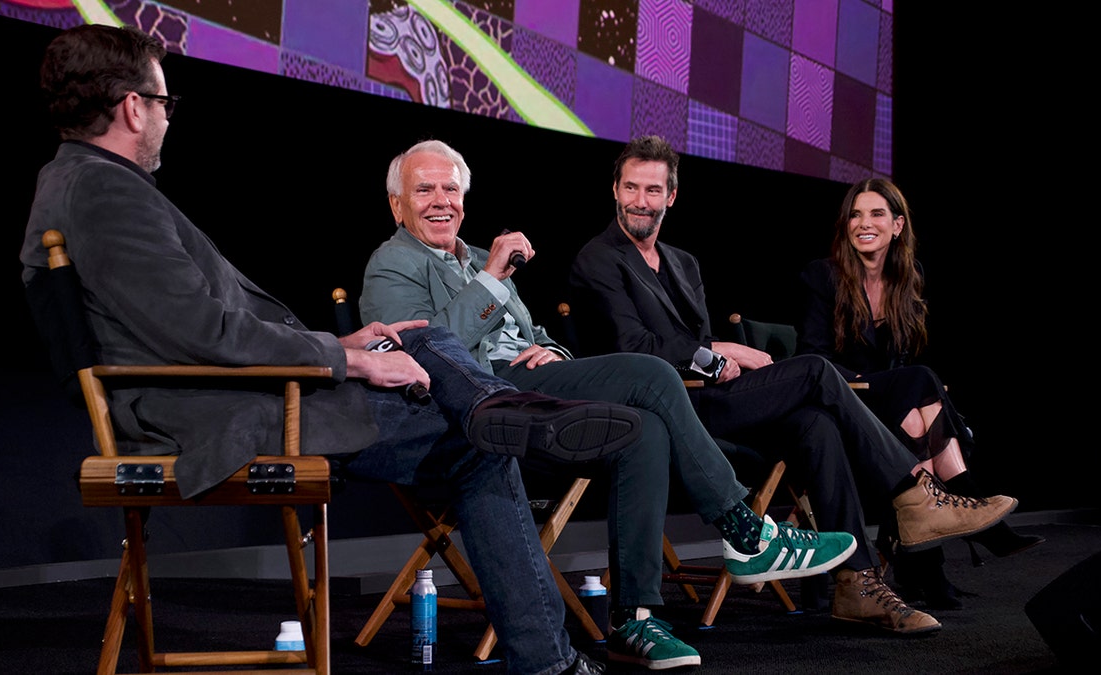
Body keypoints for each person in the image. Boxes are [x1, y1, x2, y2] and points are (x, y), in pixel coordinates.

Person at [17, 24, 662, 675]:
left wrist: (341, 343)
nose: (164, 117)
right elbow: (202, 333)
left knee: (418, 337)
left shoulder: (79, 182)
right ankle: (546, 645)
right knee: (476, 444)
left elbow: (193, 325)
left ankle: (504, 410)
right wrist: (347, 358)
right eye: (164, 104)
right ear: (133, 106)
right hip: (218, 415)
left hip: (229, 394)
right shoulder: (105, 193)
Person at [359, 139, 1004, 657]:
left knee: (704, 425)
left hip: (548, 389)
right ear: (397, 204)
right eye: (426, 190)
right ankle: (754, 530)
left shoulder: (479, 257)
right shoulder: (395, 265)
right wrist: (498, 279)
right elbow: (430, 352)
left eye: (451, 189)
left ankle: (640, 615)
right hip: (489, 408)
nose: (442, 200)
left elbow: (541, 336)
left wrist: (549, 350)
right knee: (728, 375)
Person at [566, 135, 1017, 634]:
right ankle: (914, 494)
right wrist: (719, 353)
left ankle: (857, 583)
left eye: (653, 190)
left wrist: (716, 353)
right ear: (614, 189)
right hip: (664, 408)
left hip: (708, 397)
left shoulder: (683, 262)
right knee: (815, 370)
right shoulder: (599, 258)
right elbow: (635, 346)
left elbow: (687, 340)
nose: (640, 201)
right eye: (631, 187)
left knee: (817, 425)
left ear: (671, 196)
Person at [796, 177, 1044, 607]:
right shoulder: (823, 275)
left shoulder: (909, 277)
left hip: (891, 408)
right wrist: (884, 385)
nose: (863, 223)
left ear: (897, 225)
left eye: (876, 214)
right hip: (843, 399)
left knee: (915, 415)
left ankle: (927, 570)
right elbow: (812, 358)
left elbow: (902, 356)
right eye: (856, 214)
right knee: (920, 380)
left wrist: (906, 393)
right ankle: (968, 533)